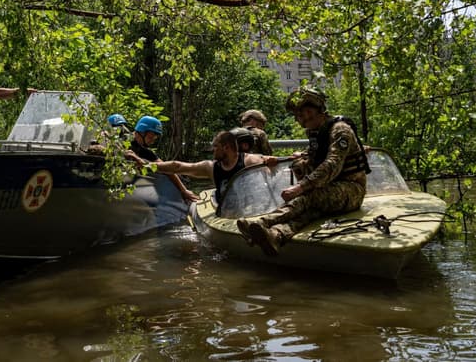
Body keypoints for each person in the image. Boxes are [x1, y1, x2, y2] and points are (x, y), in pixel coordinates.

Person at [236, 86, 368, 256]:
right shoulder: (317, 134)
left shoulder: (340, 130)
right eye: (297, 115)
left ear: (313, 110)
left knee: (308, 197)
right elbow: (312, 160)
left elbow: (332, 164)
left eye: (301, 114)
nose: (299, 119)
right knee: (310, 212)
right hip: (330, 189)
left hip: (352, 189)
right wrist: (300, 162)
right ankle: (276, 235)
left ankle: (262, 222)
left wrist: (300, 187)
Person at [127, 128, 277, 210]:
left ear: (226, 147)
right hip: (227, 212)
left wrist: (270, 164)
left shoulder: (251, 161)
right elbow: (177, 166)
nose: (213, 151)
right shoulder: (210, 167)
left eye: (215, 147)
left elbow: (269, 177)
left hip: (251, 209)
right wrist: (146, 165)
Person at [123, 116, 200, 204]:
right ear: (140, 132)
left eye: (154, 139)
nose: (152, 141)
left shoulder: (144, 151)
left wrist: (183, 190)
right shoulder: (120, 139)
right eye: (150, 138)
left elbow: (166, 168)